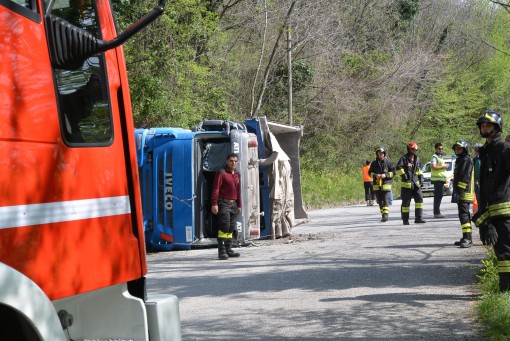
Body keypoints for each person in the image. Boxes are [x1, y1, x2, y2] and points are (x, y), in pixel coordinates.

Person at [472, 109, 510, 291]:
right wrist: (484, 222)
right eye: (483, 125)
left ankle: (506, 292)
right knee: (500, 253)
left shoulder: (504, 149)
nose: (485, 127)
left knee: (506, 254)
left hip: (505, 213)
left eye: (489, 125)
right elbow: (484, 189)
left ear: (497, 128)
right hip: (491, 213)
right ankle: (504, 290)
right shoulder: (485, 153)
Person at [211, 153, 242, 260]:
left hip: (234, 204)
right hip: (223, 203)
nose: (233, 163)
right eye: (231, 161)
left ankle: (229, 249)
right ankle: (221, 251)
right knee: (224, 226)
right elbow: (216, 190)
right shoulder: (221, 173)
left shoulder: (237, 174)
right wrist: (214, 204)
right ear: (227, 162)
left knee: (231, 228)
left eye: (235, 161)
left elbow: (238, 191)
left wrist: (239, 205)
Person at [451, 140, 474, 248]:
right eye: (456, 149)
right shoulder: (460, 160)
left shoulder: (466, 160)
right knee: (463, 215)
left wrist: (459, 191)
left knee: (464, 216)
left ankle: (468, 238)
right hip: (461, 192)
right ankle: (465, 236)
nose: (457, 150)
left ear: (465, 149)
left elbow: (464, 177)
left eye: (459, 148)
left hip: (464, 192)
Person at [396, 142, 426, 225]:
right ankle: (405, 220)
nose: (414, 151)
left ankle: (418, 218)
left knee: (419, 200)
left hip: (416, 184)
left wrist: (421, 178)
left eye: (415, 149)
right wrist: (404, 175)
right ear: (409, 149)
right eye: (413, 149)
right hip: (407, 185)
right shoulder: (404, 158)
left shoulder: (417, 159)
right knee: (406, 203)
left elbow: (419, 169)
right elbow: (398, 167)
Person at [368, 146, 395, 222]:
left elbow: (394, 172)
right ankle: (383, 214)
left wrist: (385, 175)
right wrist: (375, 175)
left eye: (382, 153)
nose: (380, 154)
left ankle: (385, 216)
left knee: (385, 200)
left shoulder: (388, 162)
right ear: (377, 154)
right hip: (377, 185)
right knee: (380, 201)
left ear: (384, 154)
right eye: (379, 153)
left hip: (386, 184)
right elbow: (369, 173)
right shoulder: (374, 163)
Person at [430, 143, 449, 218]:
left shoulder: (440, 157)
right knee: (438, 196)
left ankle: (437, 212)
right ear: (435, 149)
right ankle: (436, 213)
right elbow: (433, 167)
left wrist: (444, 166)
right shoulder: (434, 157)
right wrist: (443, 166)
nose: (440, 150)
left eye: (441, 148)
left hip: (441, 180)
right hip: (437, 179)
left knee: (439, 195)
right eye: (439, 148)